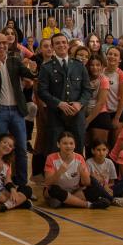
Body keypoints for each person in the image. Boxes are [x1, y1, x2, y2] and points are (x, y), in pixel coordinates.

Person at [0, 31, 34, 189]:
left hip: (17, 110)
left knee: (22, 149)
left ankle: (22, 184)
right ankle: (0, 185)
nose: (2, 46)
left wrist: (34, 70)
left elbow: (28, 73)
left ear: (8, 44)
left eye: (4, 43)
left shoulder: (16, 61)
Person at [37, 34, 90, 162]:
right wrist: (59, 103)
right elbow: (42, 91)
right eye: (57, 43)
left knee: (77, 146)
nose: (61, 45)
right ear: (53, 47)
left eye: (63, 42)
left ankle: (76, 178)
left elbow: (87, 90)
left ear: (68, 45)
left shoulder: (79, 65)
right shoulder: (46, 67)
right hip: (56, 114)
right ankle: (55, 178)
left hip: (76, 114)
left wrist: (79, 104)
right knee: (54, 148)